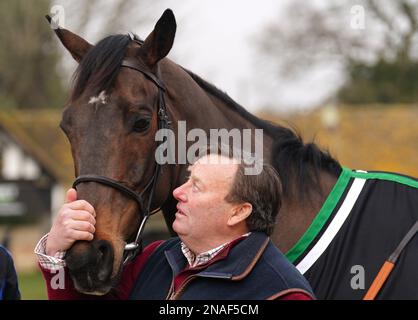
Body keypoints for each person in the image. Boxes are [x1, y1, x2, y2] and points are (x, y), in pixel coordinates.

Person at [35, 152, 315, 300]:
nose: (178, 192)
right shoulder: (154, 258)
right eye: (187, 179)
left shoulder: (283, 293)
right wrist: (57, 254)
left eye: (197, 186)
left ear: (238, 212)